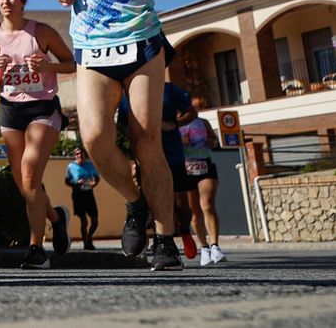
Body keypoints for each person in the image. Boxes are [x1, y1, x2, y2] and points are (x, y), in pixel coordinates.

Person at [50, 0, 187, 272]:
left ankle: (166, 241)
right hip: (91, 49)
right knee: (92, 139)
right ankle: (135, 202)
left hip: (141, 43)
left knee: (146, 140)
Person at [0, 0, 76, 268]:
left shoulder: (40, 32)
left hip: (42, 108)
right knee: (23, 184)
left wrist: (48, 66)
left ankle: (35, 248)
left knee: (30, 172)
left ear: (22, 1)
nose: (6, 2)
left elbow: (71, 63)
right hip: (10, 110)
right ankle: (56, 219)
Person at [118, 79, 195, 260]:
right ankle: (159, 240)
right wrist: (135, 132)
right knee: (151, 201)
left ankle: (185, 231)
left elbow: (191, 113)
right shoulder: (127, 94)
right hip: (145, 156)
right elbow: (120, 124)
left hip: (173, 154)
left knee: (181, 204)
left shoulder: (168, 89)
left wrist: (175, 124)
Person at [179, 96, 227, 266]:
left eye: (199, 107)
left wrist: (209, 141)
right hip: (186, 168)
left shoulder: (203, 123)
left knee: (207, 205)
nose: (196, 110)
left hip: (205, 166)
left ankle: (215, 246)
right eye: (194, 107)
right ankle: (204, 248)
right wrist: (180, 143)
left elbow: (215, 142)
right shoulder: (176, 124)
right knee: (194, 212)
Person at [65, 146, 102, 250]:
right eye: (77, 154)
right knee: (84, 221)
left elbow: (97, 178)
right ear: (74, 156)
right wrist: (76, 183)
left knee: (95, 222)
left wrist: (93, 184)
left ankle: (89, 238)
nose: (79, 155)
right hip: (78, 195)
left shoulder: (90, 165)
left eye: (81, 153)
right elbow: (67, 181)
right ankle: (86, 243)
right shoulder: (71, 166)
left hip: (89, 194)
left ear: (85, 155)